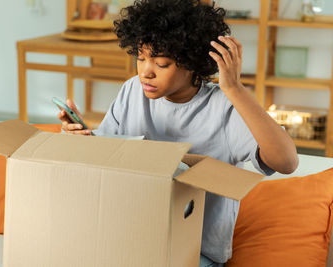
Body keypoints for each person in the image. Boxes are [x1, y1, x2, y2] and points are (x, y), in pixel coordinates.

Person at [57, 0, 299, 265]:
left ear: (193, 63)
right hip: (134, 236)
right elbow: (108, 158)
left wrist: (235, 89)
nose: (145, 72)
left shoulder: (224, 106)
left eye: (161, 64)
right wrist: (81, 138)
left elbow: (286, 162)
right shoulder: (131, 91)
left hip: (195, 250)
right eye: (140, 58)